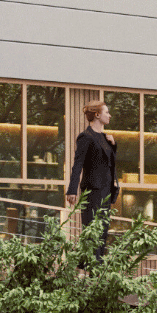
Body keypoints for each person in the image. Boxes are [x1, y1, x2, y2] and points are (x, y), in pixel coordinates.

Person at [64, 100, 119, 258]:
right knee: (93, 232)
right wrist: (72, 189)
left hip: (105, 191)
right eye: (106, 112)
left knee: (102, 232)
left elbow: (109, 163)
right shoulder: (86, 137)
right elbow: (78, 164)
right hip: (93, 191)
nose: (109, 115)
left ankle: (97, 270)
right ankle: (90, 269)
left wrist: (113, 145)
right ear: (97, 115)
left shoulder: (106, 138)